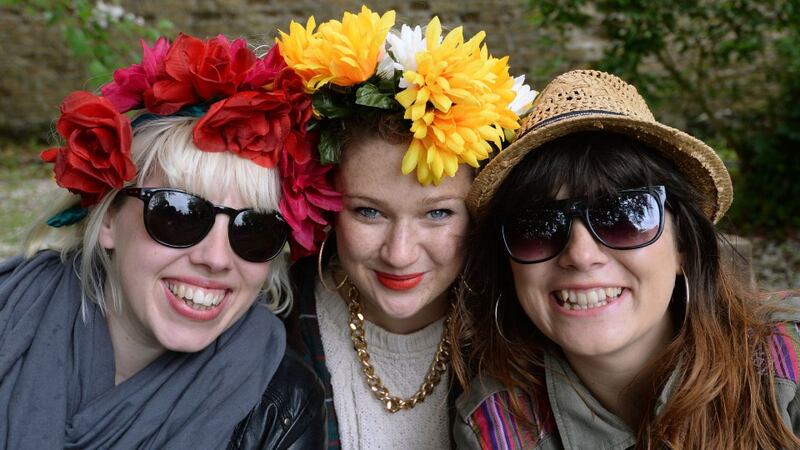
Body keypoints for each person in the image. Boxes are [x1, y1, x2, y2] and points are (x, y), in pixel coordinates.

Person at [0, 33, 331, 449]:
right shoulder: (8, 316)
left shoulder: (283, 406)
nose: (215, 258)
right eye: (178, 214)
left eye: (254, 228)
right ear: (108, 219)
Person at [451, 69, 800, 449]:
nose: (581, 256)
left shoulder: (789, 358)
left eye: (622, 217)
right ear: (509, 264)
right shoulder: (495, 429)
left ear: (683, 243)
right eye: (538, 226)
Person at [274, 6, 536, 449]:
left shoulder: (525, 337)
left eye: (437, 213)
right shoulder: (272, 331)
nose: (399, 253)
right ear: (325, 205)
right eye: (368, 212)